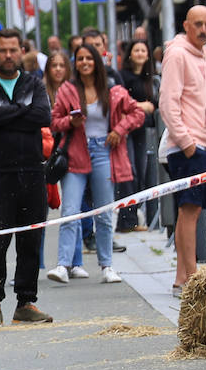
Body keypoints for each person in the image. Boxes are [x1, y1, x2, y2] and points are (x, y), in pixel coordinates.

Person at [0, 29, 53, 326]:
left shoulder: (34, 82)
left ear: (21, 51)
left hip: (32, 170)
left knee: (31, 238)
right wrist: (22, 112)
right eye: (3, 50)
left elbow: (43, 116)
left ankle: (26, 302)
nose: (8, 55)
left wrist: (5, 114)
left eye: (13, 50)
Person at [48, 44, 143, 284]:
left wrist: (119, 130)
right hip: (75, 154)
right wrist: (70, 121)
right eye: (80, 59)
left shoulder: (112, 89)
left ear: (97, 61)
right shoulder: (67, 89)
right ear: (75, 63)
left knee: (103, 212)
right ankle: (63, 264)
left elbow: (137, 113)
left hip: (104, 151)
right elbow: (54, 121)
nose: (84, 62)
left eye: (89, 58)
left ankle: (107, 265)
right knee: (70, 211)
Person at [160, 5, 206, 296]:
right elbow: (168, 102)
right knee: (188, 210)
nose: (204, 30)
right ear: (186, 25)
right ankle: (189, 277)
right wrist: (186, 142)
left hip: (201, 143)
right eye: (198, 24)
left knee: (193, 212)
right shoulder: (178, 54)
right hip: (189, 146)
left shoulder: (202, 54)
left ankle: (184, 277)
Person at [117, 40, 158, 231]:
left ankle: (132, 217)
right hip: (127, 129)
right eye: (137, 50)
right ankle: (126, 220)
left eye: (144, 50)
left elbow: (155, 103)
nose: (140, 53)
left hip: (143, 130)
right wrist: (142, 106)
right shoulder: (122, 76)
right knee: (130, 173)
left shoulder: (150, 78)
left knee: (141, 174)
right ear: (130, 54)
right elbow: (121, 101)